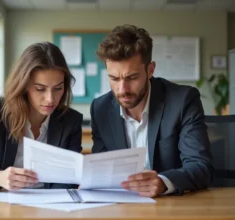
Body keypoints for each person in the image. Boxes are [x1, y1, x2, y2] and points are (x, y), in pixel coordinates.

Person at [91, 24, 214, 197]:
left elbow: (201, 166)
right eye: (114, 78)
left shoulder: (182, 100)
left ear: (150, 70)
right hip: (121, 205)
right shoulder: (100, 108)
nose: (122, 89)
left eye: (131, 77)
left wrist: (164, 182)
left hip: (172, 206)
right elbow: (101, 166)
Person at [0, 42, 83, 192]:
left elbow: (68, 180)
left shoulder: (71, 121)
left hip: (49, 209)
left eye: (58, 88)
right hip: (2, 206)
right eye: (40, 89)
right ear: (24, 85)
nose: (50, 99)